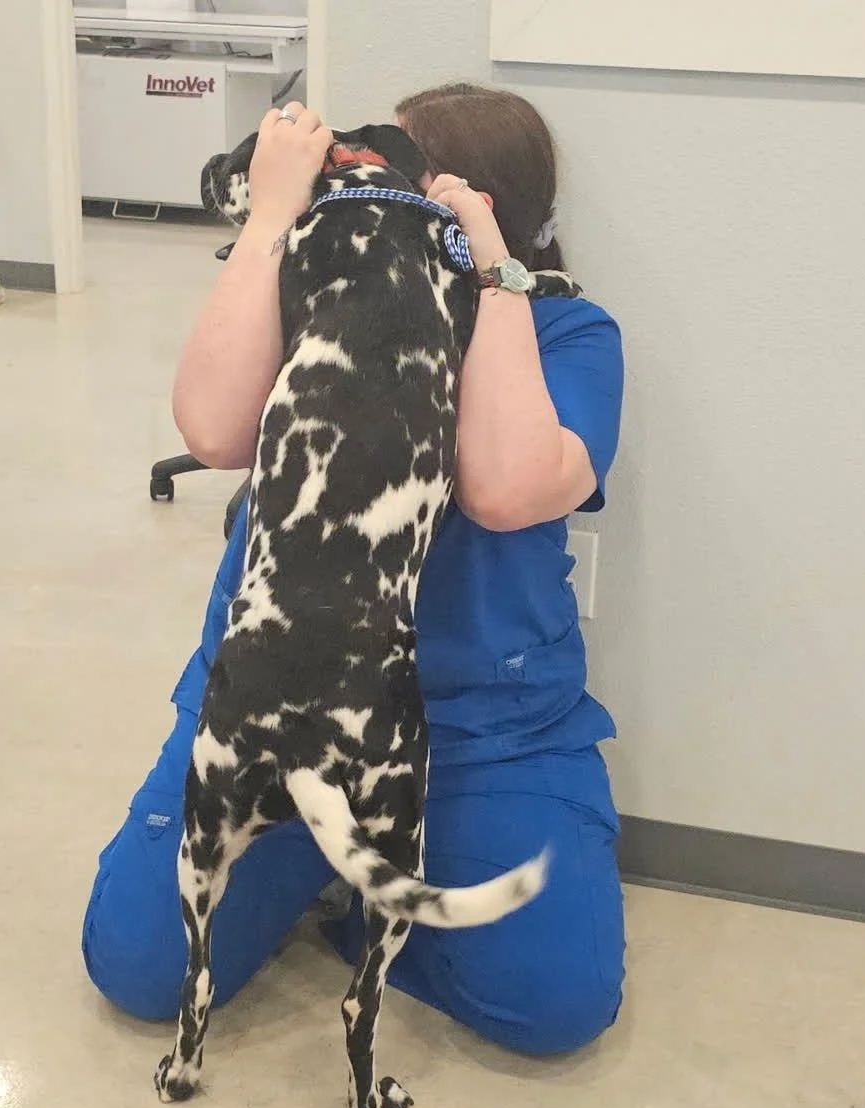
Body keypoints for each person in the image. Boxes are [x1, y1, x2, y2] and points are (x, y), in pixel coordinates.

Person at [82, 83, 626, 1057]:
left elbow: (504, 488)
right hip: (283, 699)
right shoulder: (322, 283)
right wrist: (273, 220)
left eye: (383, 173)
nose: (360, 188)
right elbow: (211, 431)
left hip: (478, 729)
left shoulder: (564, 333)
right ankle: (326, 865)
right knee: (138, 966)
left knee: (555, 1007)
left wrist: (488, 272)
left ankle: (351, 903)